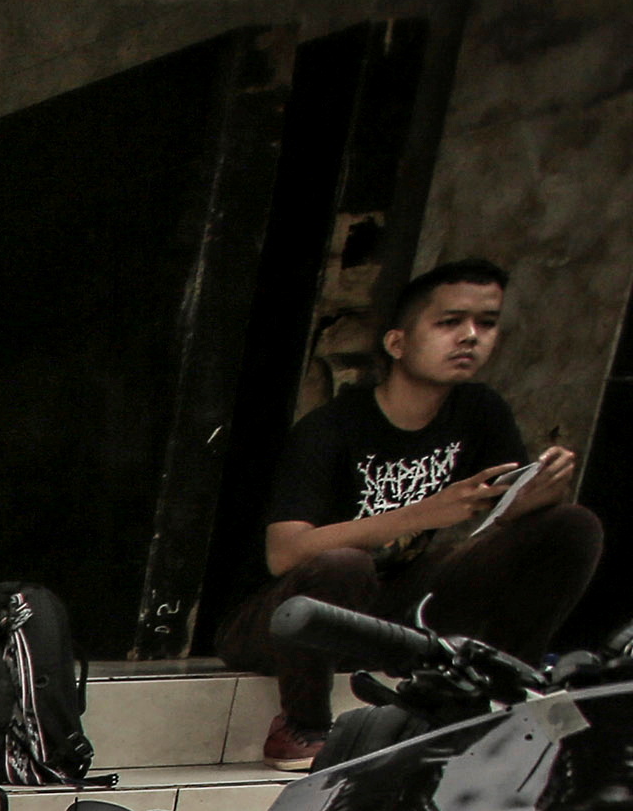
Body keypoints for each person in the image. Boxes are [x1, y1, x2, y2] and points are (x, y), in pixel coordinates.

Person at [220, 258, 603, 768]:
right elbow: (283, 553)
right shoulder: (331, 428)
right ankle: (303, 726)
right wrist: (425, 513)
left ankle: (504, 688)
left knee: (572, 525)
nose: (470, 337)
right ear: (397, 343)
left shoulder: (479, 409)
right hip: (287, 622)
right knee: (344, 564)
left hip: (400, 612)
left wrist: (541, 490)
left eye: (485, 323)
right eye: (449, 323)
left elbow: (504, 524)